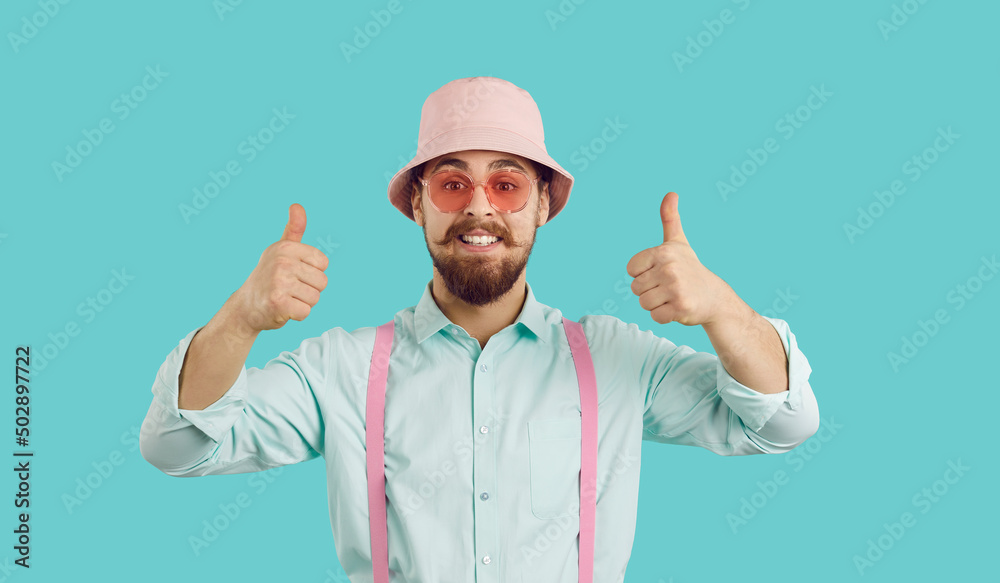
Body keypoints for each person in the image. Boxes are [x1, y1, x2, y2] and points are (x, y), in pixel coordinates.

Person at [140, 76, 820, 582]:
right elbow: (178, 444)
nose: (479, 209)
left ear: (545, 204)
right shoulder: (343, 370)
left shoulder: (615, 359)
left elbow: (780, 423)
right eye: (451, 183)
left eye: (507, 183)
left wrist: (723, 311)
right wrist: (240, 319)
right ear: (416, 204)